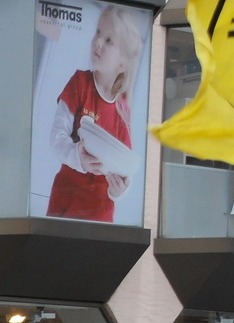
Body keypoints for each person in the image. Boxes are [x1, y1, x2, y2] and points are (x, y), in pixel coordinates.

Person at [47, 3, 143, 223]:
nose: (98, 41)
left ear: (122, 64)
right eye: (98, 32)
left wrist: (119, 191)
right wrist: (78, 158)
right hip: (65, 203)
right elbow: (56, 138)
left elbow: (125, 170)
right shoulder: (80, 82)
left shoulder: (123, 110)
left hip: (99, 214)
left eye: (109, 40)